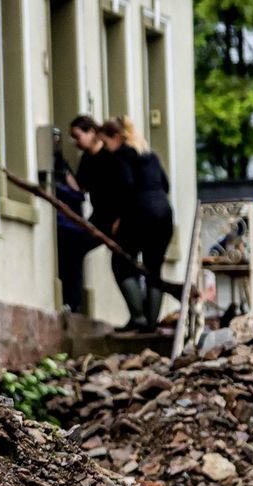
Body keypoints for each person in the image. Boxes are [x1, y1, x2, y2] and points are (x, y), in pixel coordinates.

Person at [100, 116, 174, 332]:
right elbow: (166, 185)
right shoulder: (149, 155)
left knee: (121, 263)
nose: (105, 148)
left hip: (139, 213)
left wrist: (117, 219)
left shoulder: (121, 155)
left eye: (105, 143)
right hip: (163, 214)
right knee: (154, 269)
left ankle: (138, 317)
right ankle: (151, 325)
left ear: (116, 137)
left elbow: (125, 186)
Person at [68, 115, 133, 318]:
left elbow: (125, 189)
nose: (76, 142)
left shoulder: (111, 156)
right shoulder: (86, 159)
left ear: (91, 132)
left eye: (77, 136)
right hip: (99, 218)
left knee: (126, 263)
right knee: (75, 248)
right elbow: (80, 188)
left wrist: (120, 220)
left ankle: (141, 313)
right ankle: (74, 302)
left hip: (115, 217)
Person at [52, 140, 95, 314]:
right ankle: (72, 301)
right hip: (68, 224)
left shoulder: (61, 166)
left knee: (71, 263)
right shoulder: (62, 167)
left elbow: (77, 191)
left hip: (69, 224)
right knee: (71, 263)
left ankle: (72, 301)